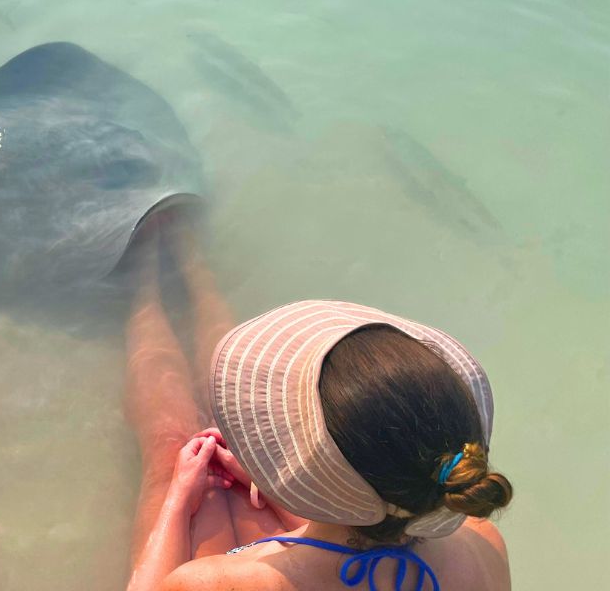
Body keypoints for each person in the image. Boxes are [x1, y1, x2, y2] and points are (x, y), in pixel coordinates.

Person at [124, 217, 512, 591]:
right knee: (231, 482)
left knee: (179, 457)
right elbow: (368, 535)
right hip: (333, 555)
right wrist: (276, 490)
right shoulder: (483, 546)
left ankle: (149, 281)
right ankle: (190, 268)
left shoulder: (210, 584)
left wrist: (179, 499)